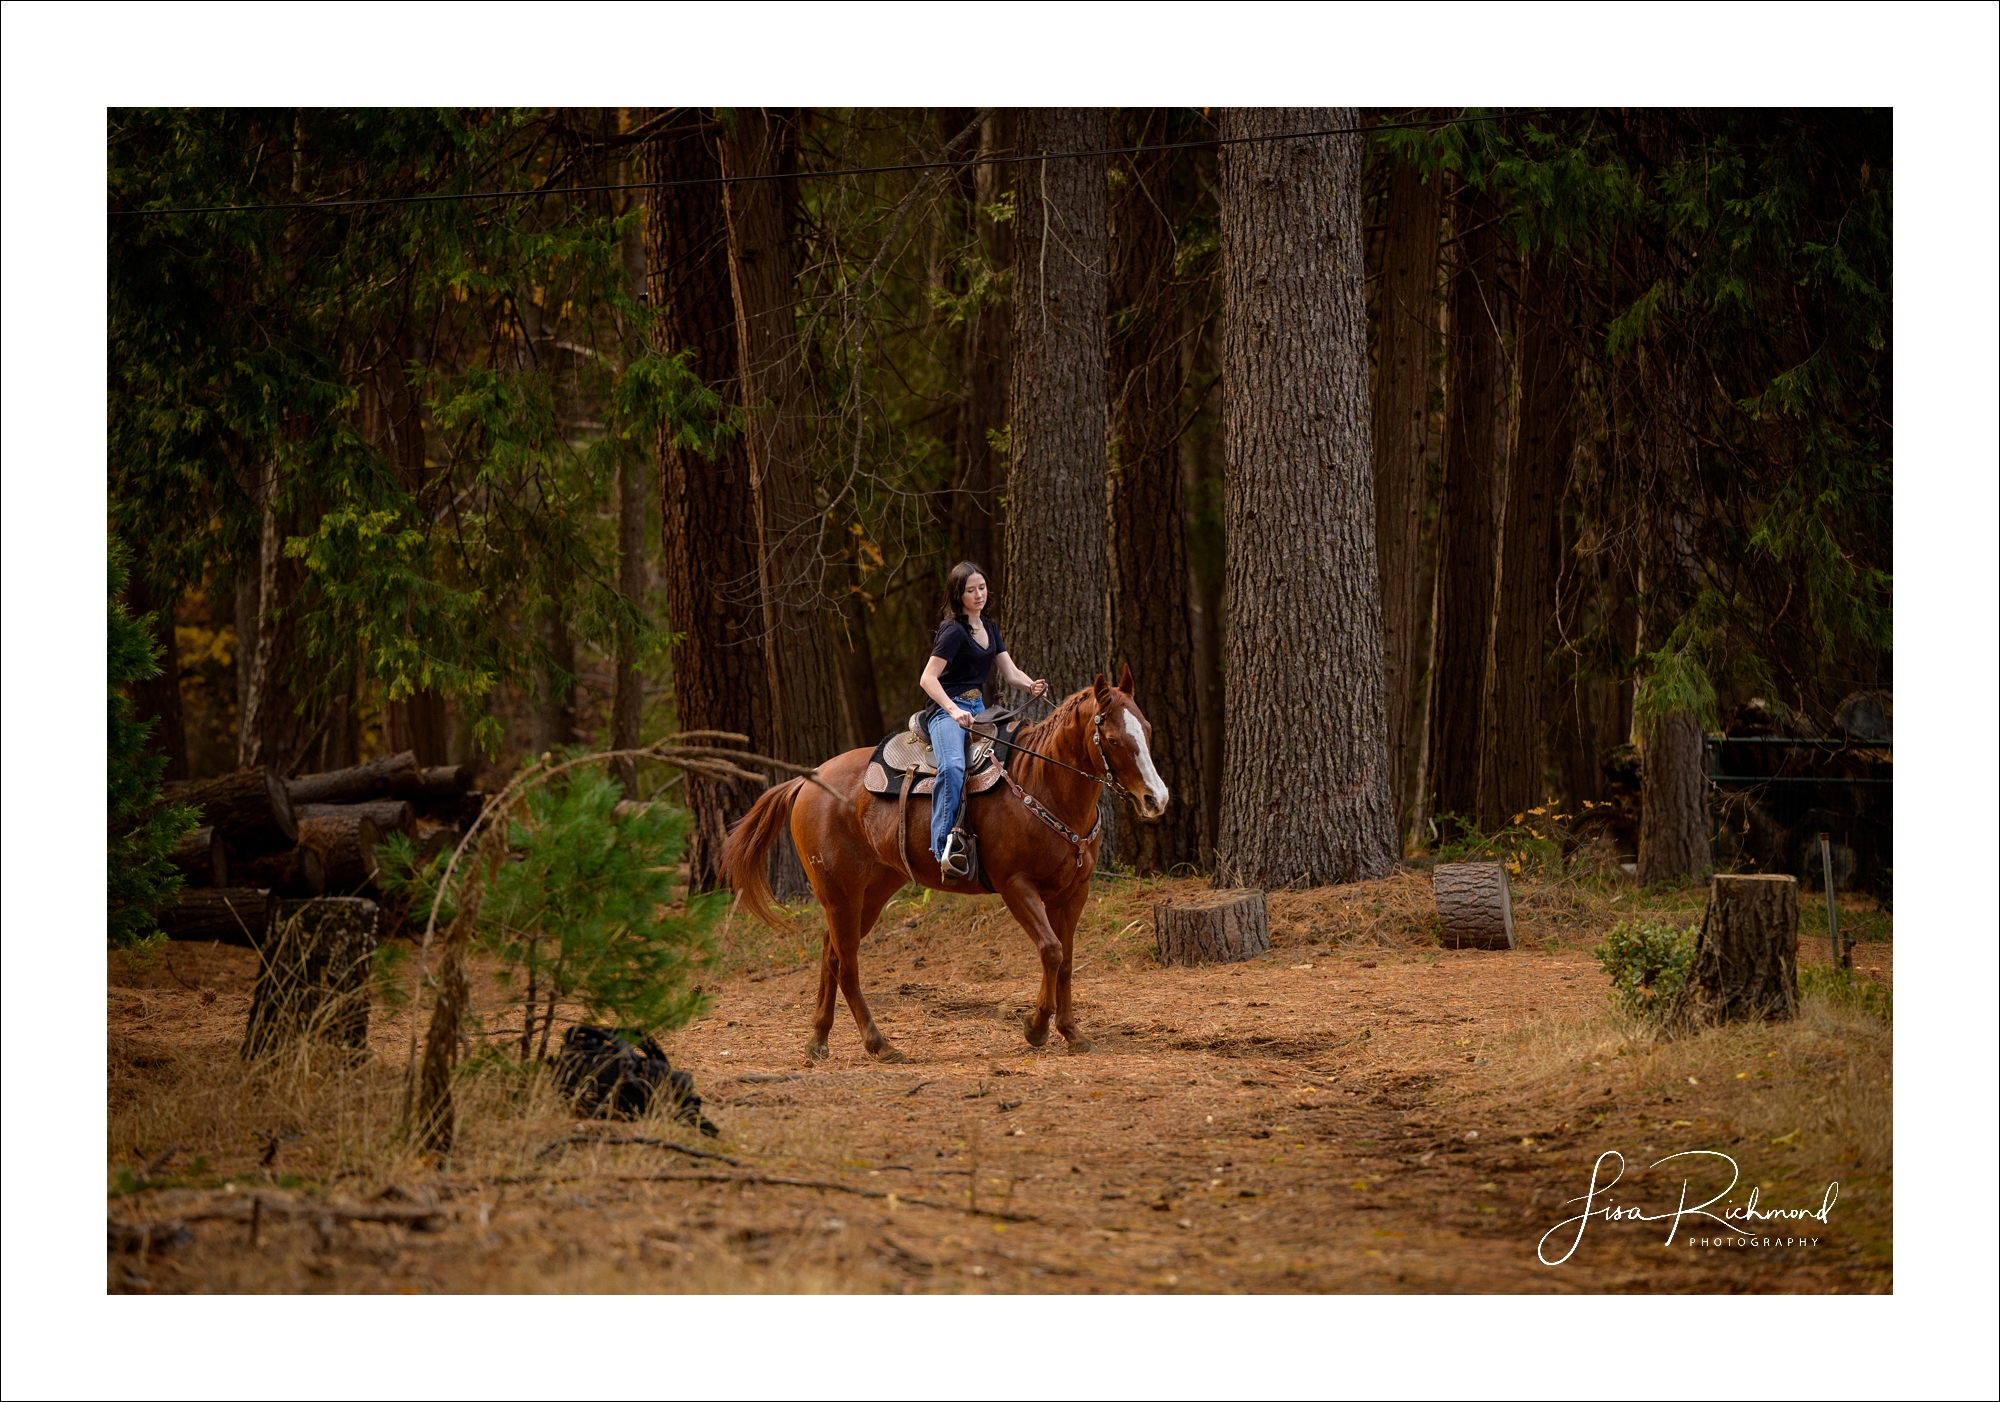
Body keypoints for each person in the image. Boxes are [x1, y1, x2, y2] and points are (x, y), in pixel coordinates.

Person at [918, 561, 1048, 878]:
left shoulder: (989, 626)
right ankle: (943, 848)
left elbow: (1011, 672)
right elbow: (928, 678)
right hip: (947, 711)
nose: (979, 595)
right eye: (971, 590)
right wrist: (952, 709)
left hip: (980, 710)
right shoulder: (952, 630)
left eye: (982, 588)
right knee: (951, 767)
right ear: (958, 594)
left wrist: (1031, 684)